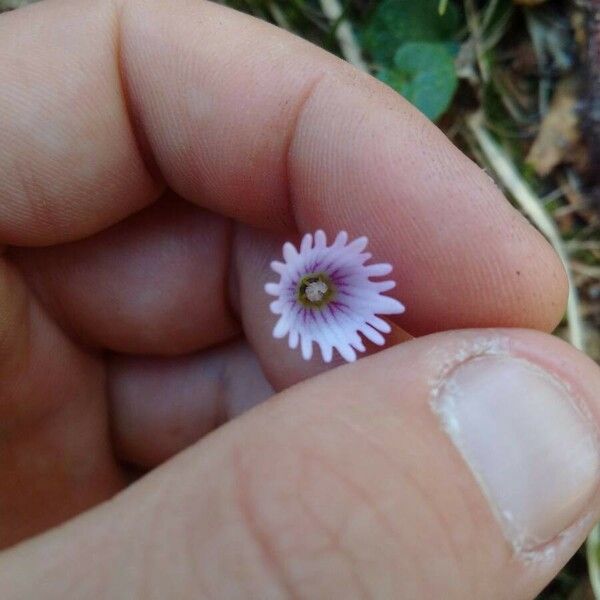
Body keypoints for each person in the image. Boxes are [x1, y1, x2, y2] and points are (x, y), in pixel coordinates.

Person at [0, 0, 598, 598]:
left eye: (320, 285)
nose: (317, 287)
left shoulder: (328, 290)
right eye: (313, 283)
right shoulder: (297, 285)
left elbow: (353, 299)